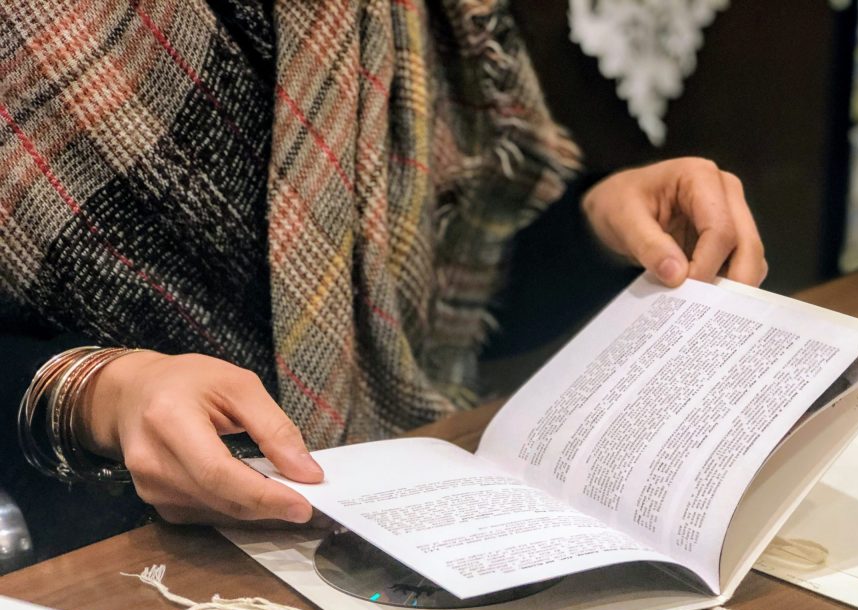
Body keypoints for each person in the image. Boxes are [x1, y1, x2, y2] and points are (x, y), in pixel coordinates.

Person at [0, 1, 766, 558]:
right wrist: (100, 392)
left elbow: (450, 282)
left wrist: (598, 224)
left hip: (407, 541)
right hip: (122, 568)